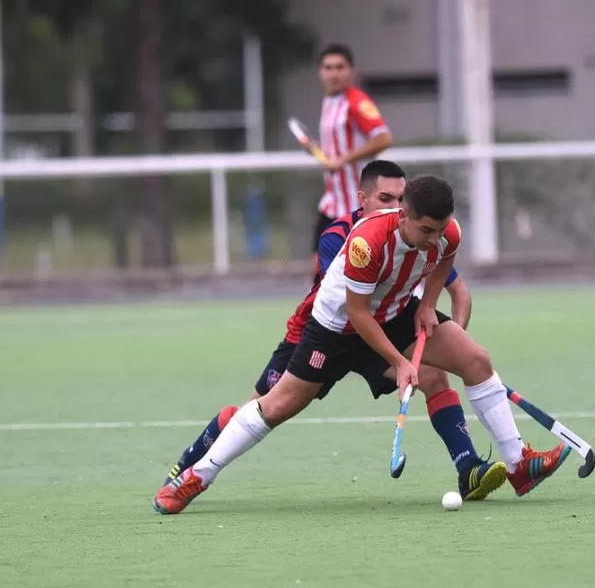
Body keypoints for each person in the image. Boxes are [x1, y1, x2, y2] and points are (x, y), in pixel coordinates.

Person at [153, 175, 570, 515]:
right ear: (403, 214)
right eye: (425, 230)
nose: (432, 239)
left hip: (396, 312)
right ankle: (197, 477)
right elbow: (358, 315)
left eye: (439, 230)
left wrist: (427, 304)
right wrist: (399, 362)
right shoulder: (366, 242)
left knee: (477, 360)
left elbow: (443, 261)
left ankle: (518, 466)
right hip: (336, 328)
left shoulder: (446, 235)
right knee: (275, 406)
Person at [304, 43, 393, 258]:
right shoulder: (329, 102)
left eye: (340, 67)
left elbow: (383, 138)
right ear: (320, 72)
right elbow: (340, 144)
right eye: (328, 68)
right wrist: (318, 150)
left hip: (357, 202)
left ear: (351, 70)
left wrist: (342, 160)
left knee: (369, 266)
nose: (334, 74)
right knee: (319, 264)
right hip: (333, 201)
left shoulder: (357, 103)